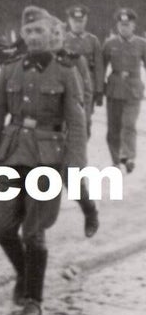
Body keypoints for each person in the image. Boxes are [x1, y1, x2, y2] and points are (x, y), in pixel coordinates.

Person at [0, 6, 87, 315]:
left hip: (47, 158)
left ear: (49, 33)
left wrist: (75, 164)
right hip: (11, 154)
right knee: (2, 223)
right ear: (22, 35)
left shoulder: (66, 70)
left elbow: (76, 124)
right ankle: (26, 275)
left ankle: (32, 300)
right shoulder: (10, 69)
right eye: (30, 32)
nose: (35, 37)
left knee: (34, 231)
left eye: (40, 31)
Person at [50, 16, 99, 237]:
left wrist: (83, 121)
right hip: (43, 130)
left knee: (72, 176)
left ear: (63, 37)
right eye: (50, 34)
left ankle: (90, 212)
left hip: (69, 127)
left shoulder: (73, 60)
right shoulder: (33, 59)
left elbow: (85, 94)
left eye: (57, 34)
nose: (53, 39)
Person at [102, 8, 146, 173]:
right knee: (113, 127)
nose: (124, 28)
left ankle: (128, 157)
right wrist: (100, 89)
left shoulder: (142, 44)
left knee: (129, 124)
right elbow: (101, 66)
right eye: (121, 25)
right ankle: (115, 160)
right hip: (114, 89)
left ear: (133, 26)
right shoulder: (109, 44)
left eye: (127, 25)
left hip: (133, 89)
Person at [64, 4, 104, 135]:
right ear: (69, 21)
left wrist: (99, 90)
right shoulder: (63, 39)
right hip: (67, 85)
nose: (77, 25)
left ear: (85, 21)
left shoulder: (93, 41)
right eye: (75, 21)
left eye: (80, 22)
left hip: (87, 87)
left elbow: (99, 67)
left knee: (85, 119)